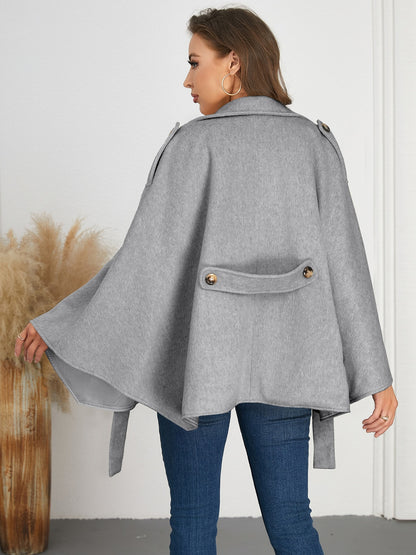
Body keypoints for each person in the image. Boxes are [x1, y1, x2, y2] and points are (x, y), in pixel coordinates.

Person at [15, 6, 398, 555]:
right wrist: (377, 375)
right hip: (290, 360)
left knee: (192, 525)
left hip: (198, 366)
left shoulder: (192, 145)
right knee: (293, 522)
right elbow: (348, 264)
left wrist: (60, 323)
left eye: (195, 62)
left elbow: (141, 263)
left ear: (233, 63)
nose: (187, 79)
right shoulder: (314, 145)